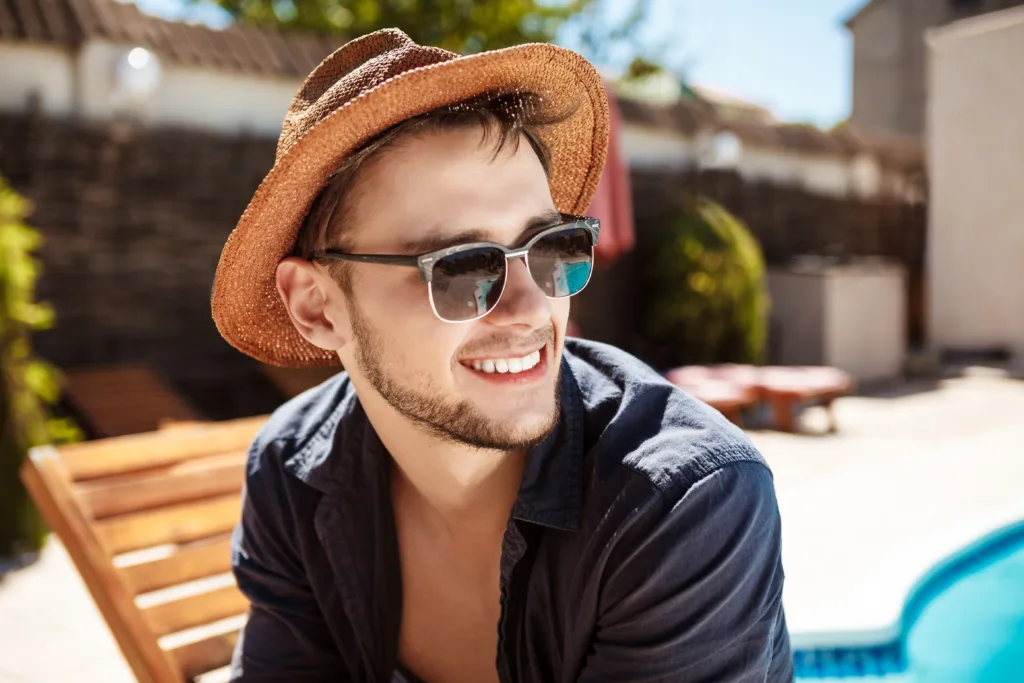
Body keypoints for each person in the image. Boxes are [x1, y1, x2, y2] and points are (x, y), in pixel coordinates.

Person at [212, 28, 792, 683]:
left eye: (551, 247)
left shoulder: (680, 502)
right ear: (318, 306)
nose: (529, 310)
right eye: (460, 267)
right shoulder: (293, 471)